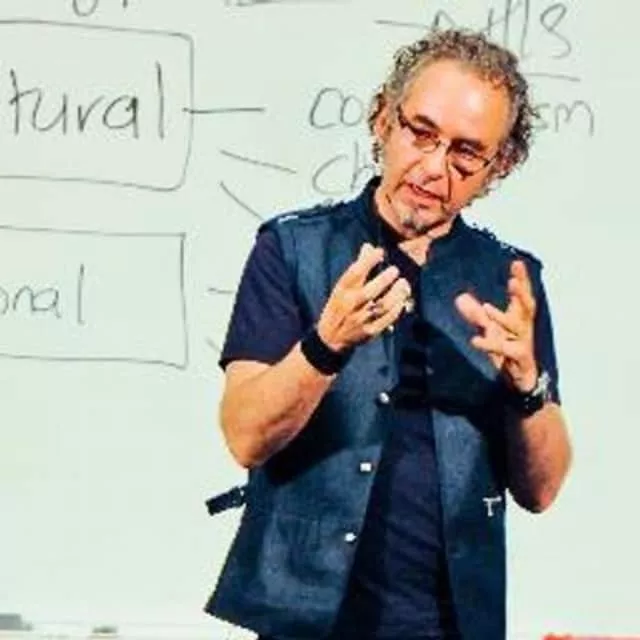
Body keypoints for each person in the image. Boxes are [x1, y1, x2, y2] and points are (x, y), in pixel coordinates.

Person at [204, 28, 572, 640]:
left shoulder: (509, 280)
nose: (433, 168)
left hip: (450, 624)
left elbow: (543, 490)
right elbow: (245, 436)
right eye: (420, 133)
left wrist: (527, 385)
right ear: (382, 119)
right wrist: (325, 345)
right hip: (306, 620)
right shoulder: (292, 250)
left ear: (499, 165)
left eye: (466, 152)